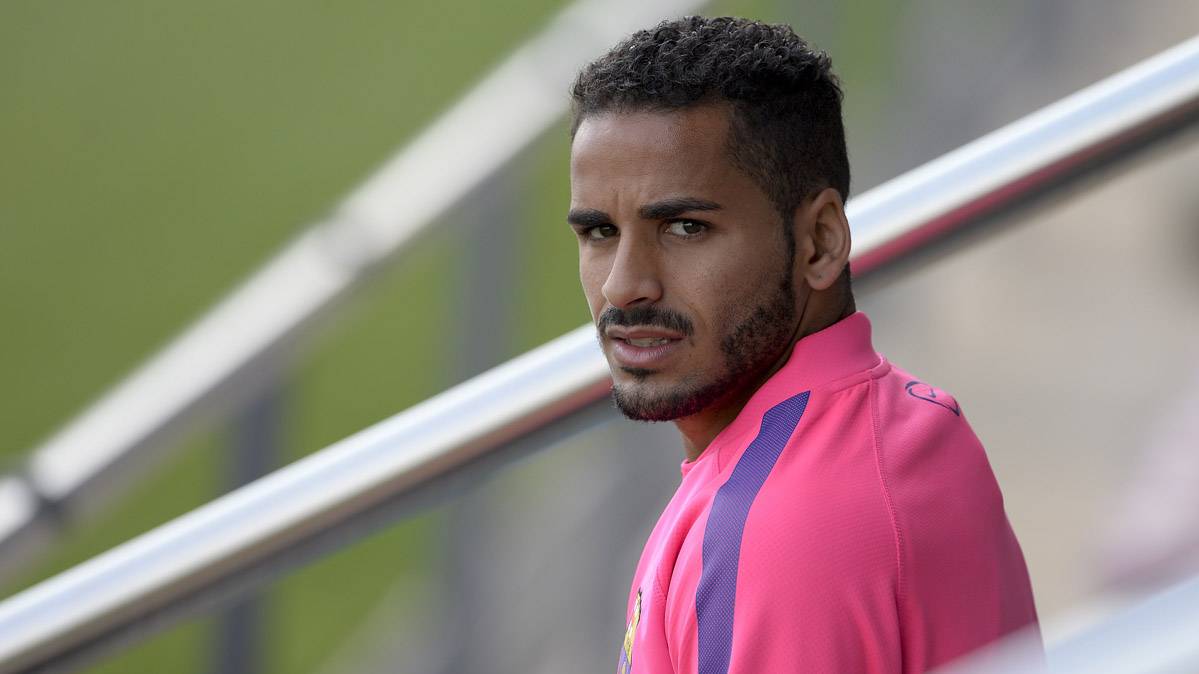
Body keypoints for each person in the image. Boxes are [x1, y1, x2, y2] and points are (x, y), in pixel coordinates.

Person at [566, 16, 1040, 674]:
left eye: (682, 227)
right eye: (597, 232)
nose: (624, 285)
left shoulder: (774, 532)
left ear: (819, 242)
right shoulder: (902, 424)